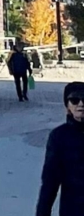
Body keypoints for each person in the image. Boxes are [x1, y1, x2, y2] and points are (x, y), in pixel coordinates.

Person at [35, 81, 84, 216]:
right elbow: (50, 182)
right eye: (74, 100)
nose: (81, 104)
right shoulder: (59, 136)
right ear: (67, 106)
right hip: (73, 209)